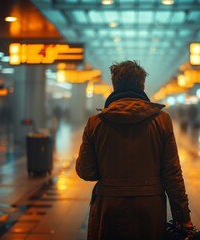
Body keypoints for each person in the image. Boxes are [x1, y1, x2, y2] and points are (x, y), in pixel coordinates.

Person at [76, 60, 193, 239]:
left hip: (109, 207)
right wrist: (183, 217)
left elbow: (85, 171)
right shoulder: (162, 121)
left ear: (114, 86)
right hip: (150, 208)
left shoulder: (95, 123)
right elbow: (172, 173)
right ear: (143, 86)